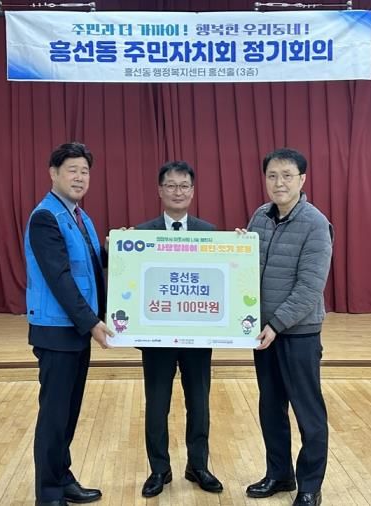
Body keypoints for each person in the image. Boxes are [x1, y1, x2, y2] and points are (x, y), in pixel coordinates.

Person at [24, 142, 113, 506]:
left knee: (68, 413)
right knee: (54, 416)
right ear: (53, 174)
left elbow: (93, 263)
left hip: (75, 331)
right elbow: (60, 279)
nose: (79, 177)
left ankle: (62, 479)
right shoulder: (46, 218)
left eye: (85, 171)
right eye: (72, 170)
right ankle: (48, 494)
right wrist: (92, 323)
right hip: (57, 332)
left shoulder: (79, 216)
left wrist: (130, 247)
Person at [245, 148, 333, 506]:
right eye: (272, 176)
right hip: (263, 333)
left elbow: (310, 286)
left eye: (286, 175)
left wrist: (277, 324)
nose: (278, 183)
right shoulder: (260, 216)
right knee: (271, 408)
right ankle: (279, 474)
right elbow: (245, 269)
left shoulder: (315, 224)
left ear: (302, 179)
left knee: (308, 413)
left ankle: (310, 486)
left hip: (298, 334)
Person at [135, 161, 223, 498]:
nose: (177, 192)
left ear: (192, 191)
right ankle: (160, 469)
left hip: (198, 336)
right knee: (157, 405)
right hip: (157, 337)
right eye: (170, 185)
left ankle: (197, 466)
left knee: (199, 403)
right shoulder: (140, 234)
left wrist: (241, 246)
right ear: (160, 190)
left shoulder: (209, 233)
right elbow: (128, 279)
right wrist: (116, 247)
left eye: (184, 186)